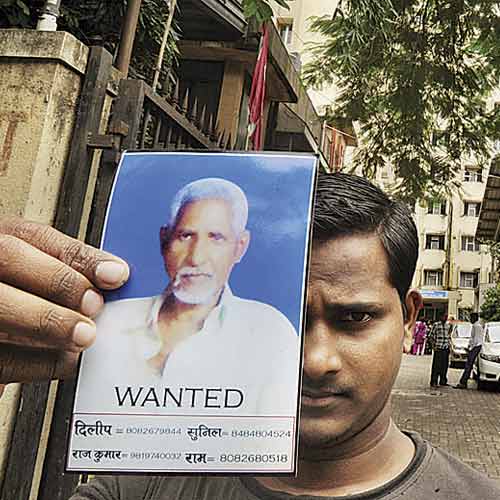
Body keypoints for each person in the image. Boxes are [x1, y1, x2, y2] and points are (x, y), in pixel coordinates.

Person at [1, 172, 500, 499]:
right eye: (293, 319)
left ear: (409, 317)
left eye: (355, 319)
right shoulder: (143, 484)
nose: (316, 361)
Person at [75, 178, 298, 415]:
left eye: (216, 238)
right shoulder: (109, 321)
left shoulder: (270, 332)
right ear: (164, 240)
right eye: (185, 236)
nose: (197, 257)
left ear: (240, 247)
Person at [455, 312, 484, 389]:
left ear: (475, 318)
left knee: (468, 365)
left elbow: (475, 339)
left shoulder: (476, 326)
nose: (470, 319)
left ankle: (463, 382)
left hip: (475, 347)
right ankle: (465, 381)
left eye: (471, 318)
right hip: (476, 346)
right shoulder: (478, 326)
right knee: (472, 365)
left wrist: (470, 348)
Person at [427, 313, 451, 387]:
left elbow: (449, 335)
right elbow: (430, 336)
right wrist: (433, 346)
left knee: (444, 366)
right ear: (440, 317)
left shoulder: (448, 325)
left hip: (445, 348)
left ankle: (443, 381)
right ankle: (434, 381)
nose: (445, 318)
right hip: (438, 348)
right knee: (436, 366)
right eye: (444, 316)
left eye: (446, 316)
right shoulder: (436, 325)